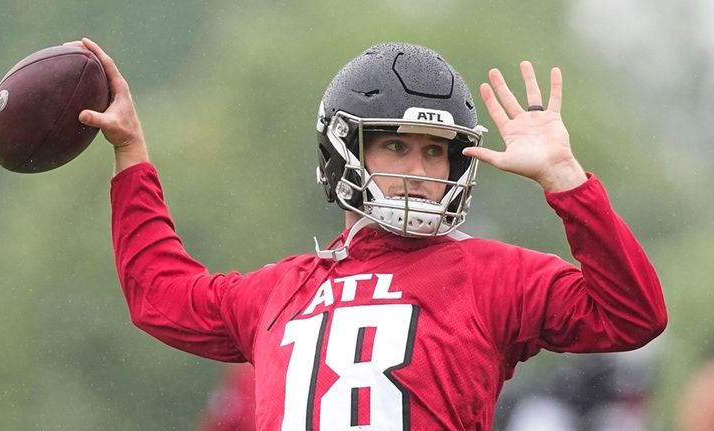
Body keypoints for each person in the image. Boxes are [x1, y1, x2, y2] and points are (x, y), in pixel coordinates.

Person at [71, 37, 667, 429]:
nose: (419, 171)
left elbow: (633, 315)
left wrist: (567, 183)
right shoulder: (281, 290)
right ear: (344, 151)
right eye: (397, 146)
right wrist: (131, 152)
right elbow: (159, 294)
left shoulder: (494, 277)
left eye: (436, 152)